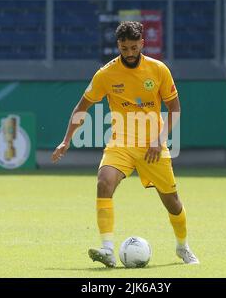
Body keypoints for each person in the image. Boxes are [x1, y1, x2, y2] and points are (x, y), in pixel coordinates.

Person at [52, 21, 199, 267]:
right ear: (118, 46)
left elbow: (174, 108)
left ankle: (183, 247)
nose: (129, 53)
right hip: (121, 144)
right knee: (103, 182)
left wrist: (159, 140)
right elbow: (82, 107)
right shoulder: (106, 74)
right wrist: (66, 140)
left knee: (172, 202)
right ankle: (108, 249)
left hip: (153, 146)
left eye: (133, 47)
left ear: (142, 43)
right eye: (124, 48)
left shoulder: (158, 69)